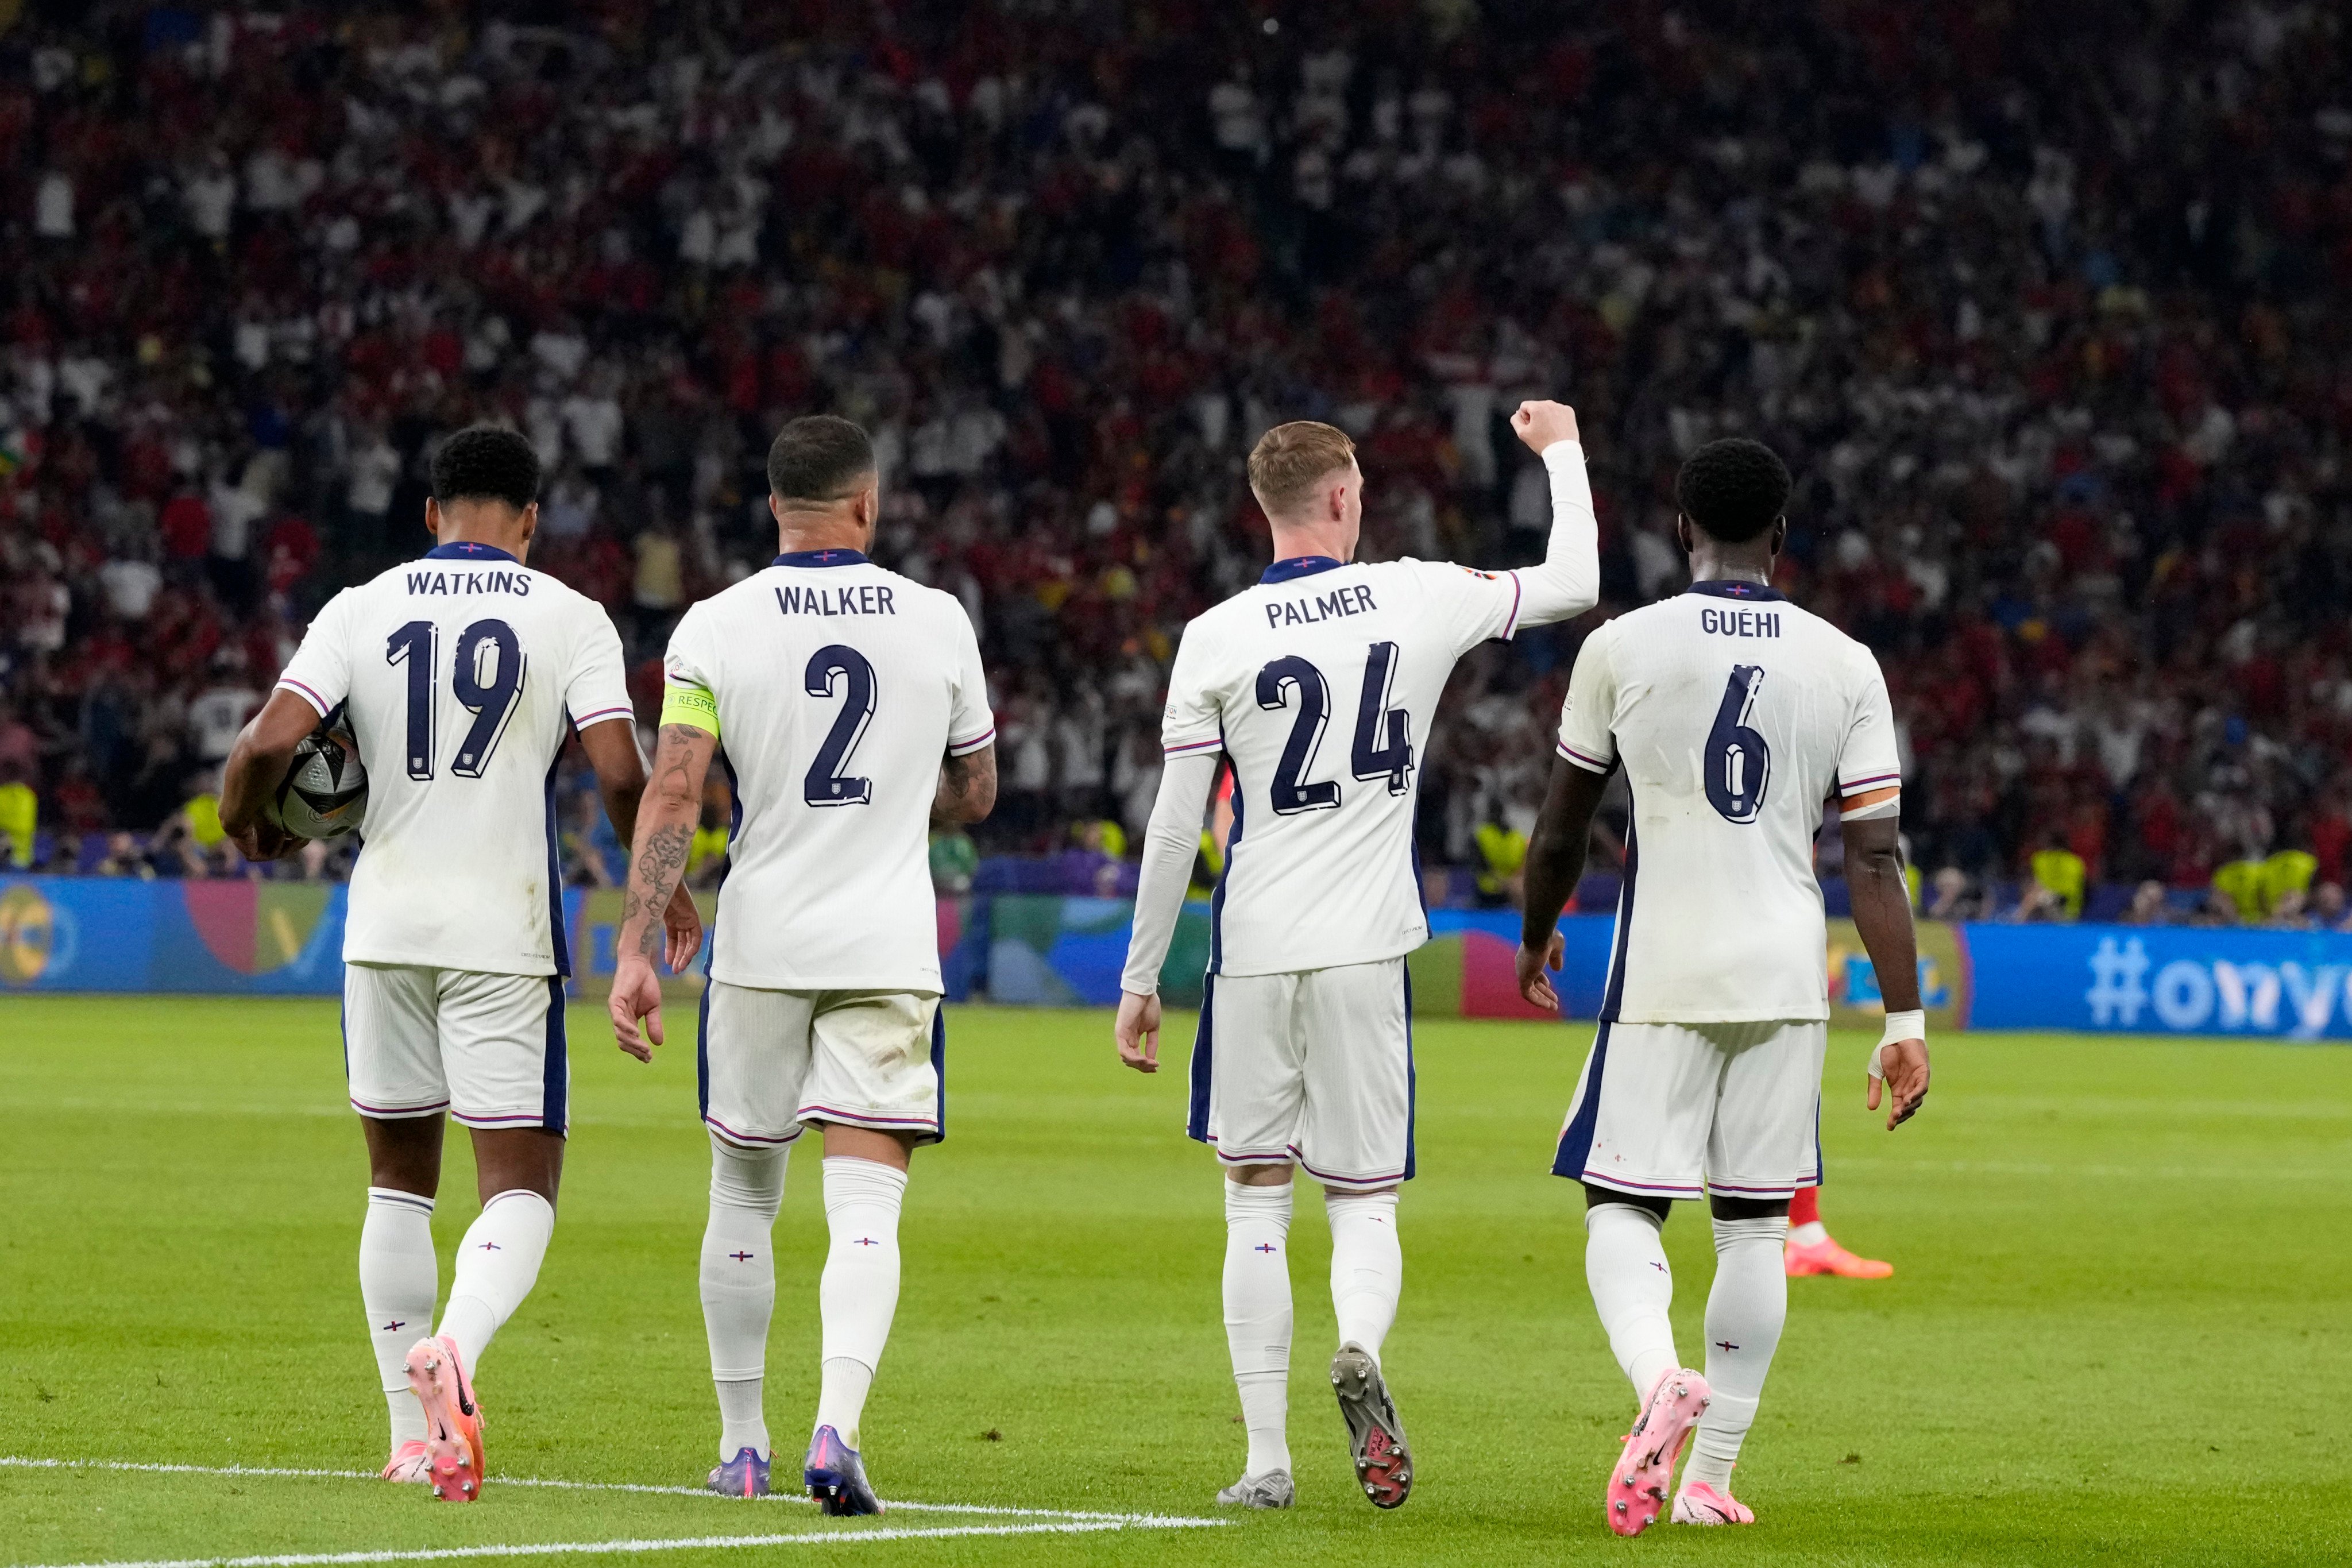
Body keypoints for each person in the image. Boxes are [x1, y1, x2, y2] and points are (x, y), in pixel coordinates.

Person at [1114, 405, 1600, 1511]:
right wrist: (1560, 449)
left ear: (1265, 507)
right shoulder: (1415, 590)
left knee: (1252, 1201)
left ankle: (1265, 1462)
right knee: (1365, 1200)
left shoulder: (1216, 633)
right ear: (1343, 498)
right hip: (1365, 947)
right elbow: (1574, 578)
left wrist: (1143, 979)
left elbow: (1175, 826)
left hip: (1254, 949)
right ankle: (1361, 1344)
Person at [218, 427, 701, 1501]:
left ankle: (406, 1433)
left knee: (398, 1187)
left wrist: (243, 826)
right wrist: (665, 888)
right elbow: (625, 776)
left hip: (382, 927)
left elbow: (260, 748)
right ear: (531, 523)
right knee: (521, 1189)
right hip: (504, 933)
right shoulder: (571, 616)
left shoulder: (357, 606)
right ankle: (458, 1350)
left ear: (429, 513)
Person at [1514, 437, 1931, 1534]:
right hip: (1788, 976)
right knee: (1754, 1228)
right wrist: (1905, 1017)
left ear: (1682, 528)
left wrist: (1535, 933)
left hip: (1663, 968)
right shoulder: (1846, 662)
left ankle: (1660, 1381)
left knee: (1620, 1202)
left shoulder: (1621, 645)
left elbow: (1563, 825)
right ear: (1782, 539)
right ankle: (1712, 1478)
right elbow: (1875, 857)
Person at [607, 415, 997, 1513]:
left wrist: (638, 944)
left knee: (744, 1189)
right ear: (867, 505)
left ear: (772, 507)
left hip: (764, 940)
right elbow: (975, 792)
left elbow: (674, 789)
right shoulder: (938, 619)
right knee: (867, 1204)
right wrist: (891, 803)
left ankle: (742, 1446)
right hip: (885, 942)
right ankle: (840, 1428)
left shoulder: (714, 626)